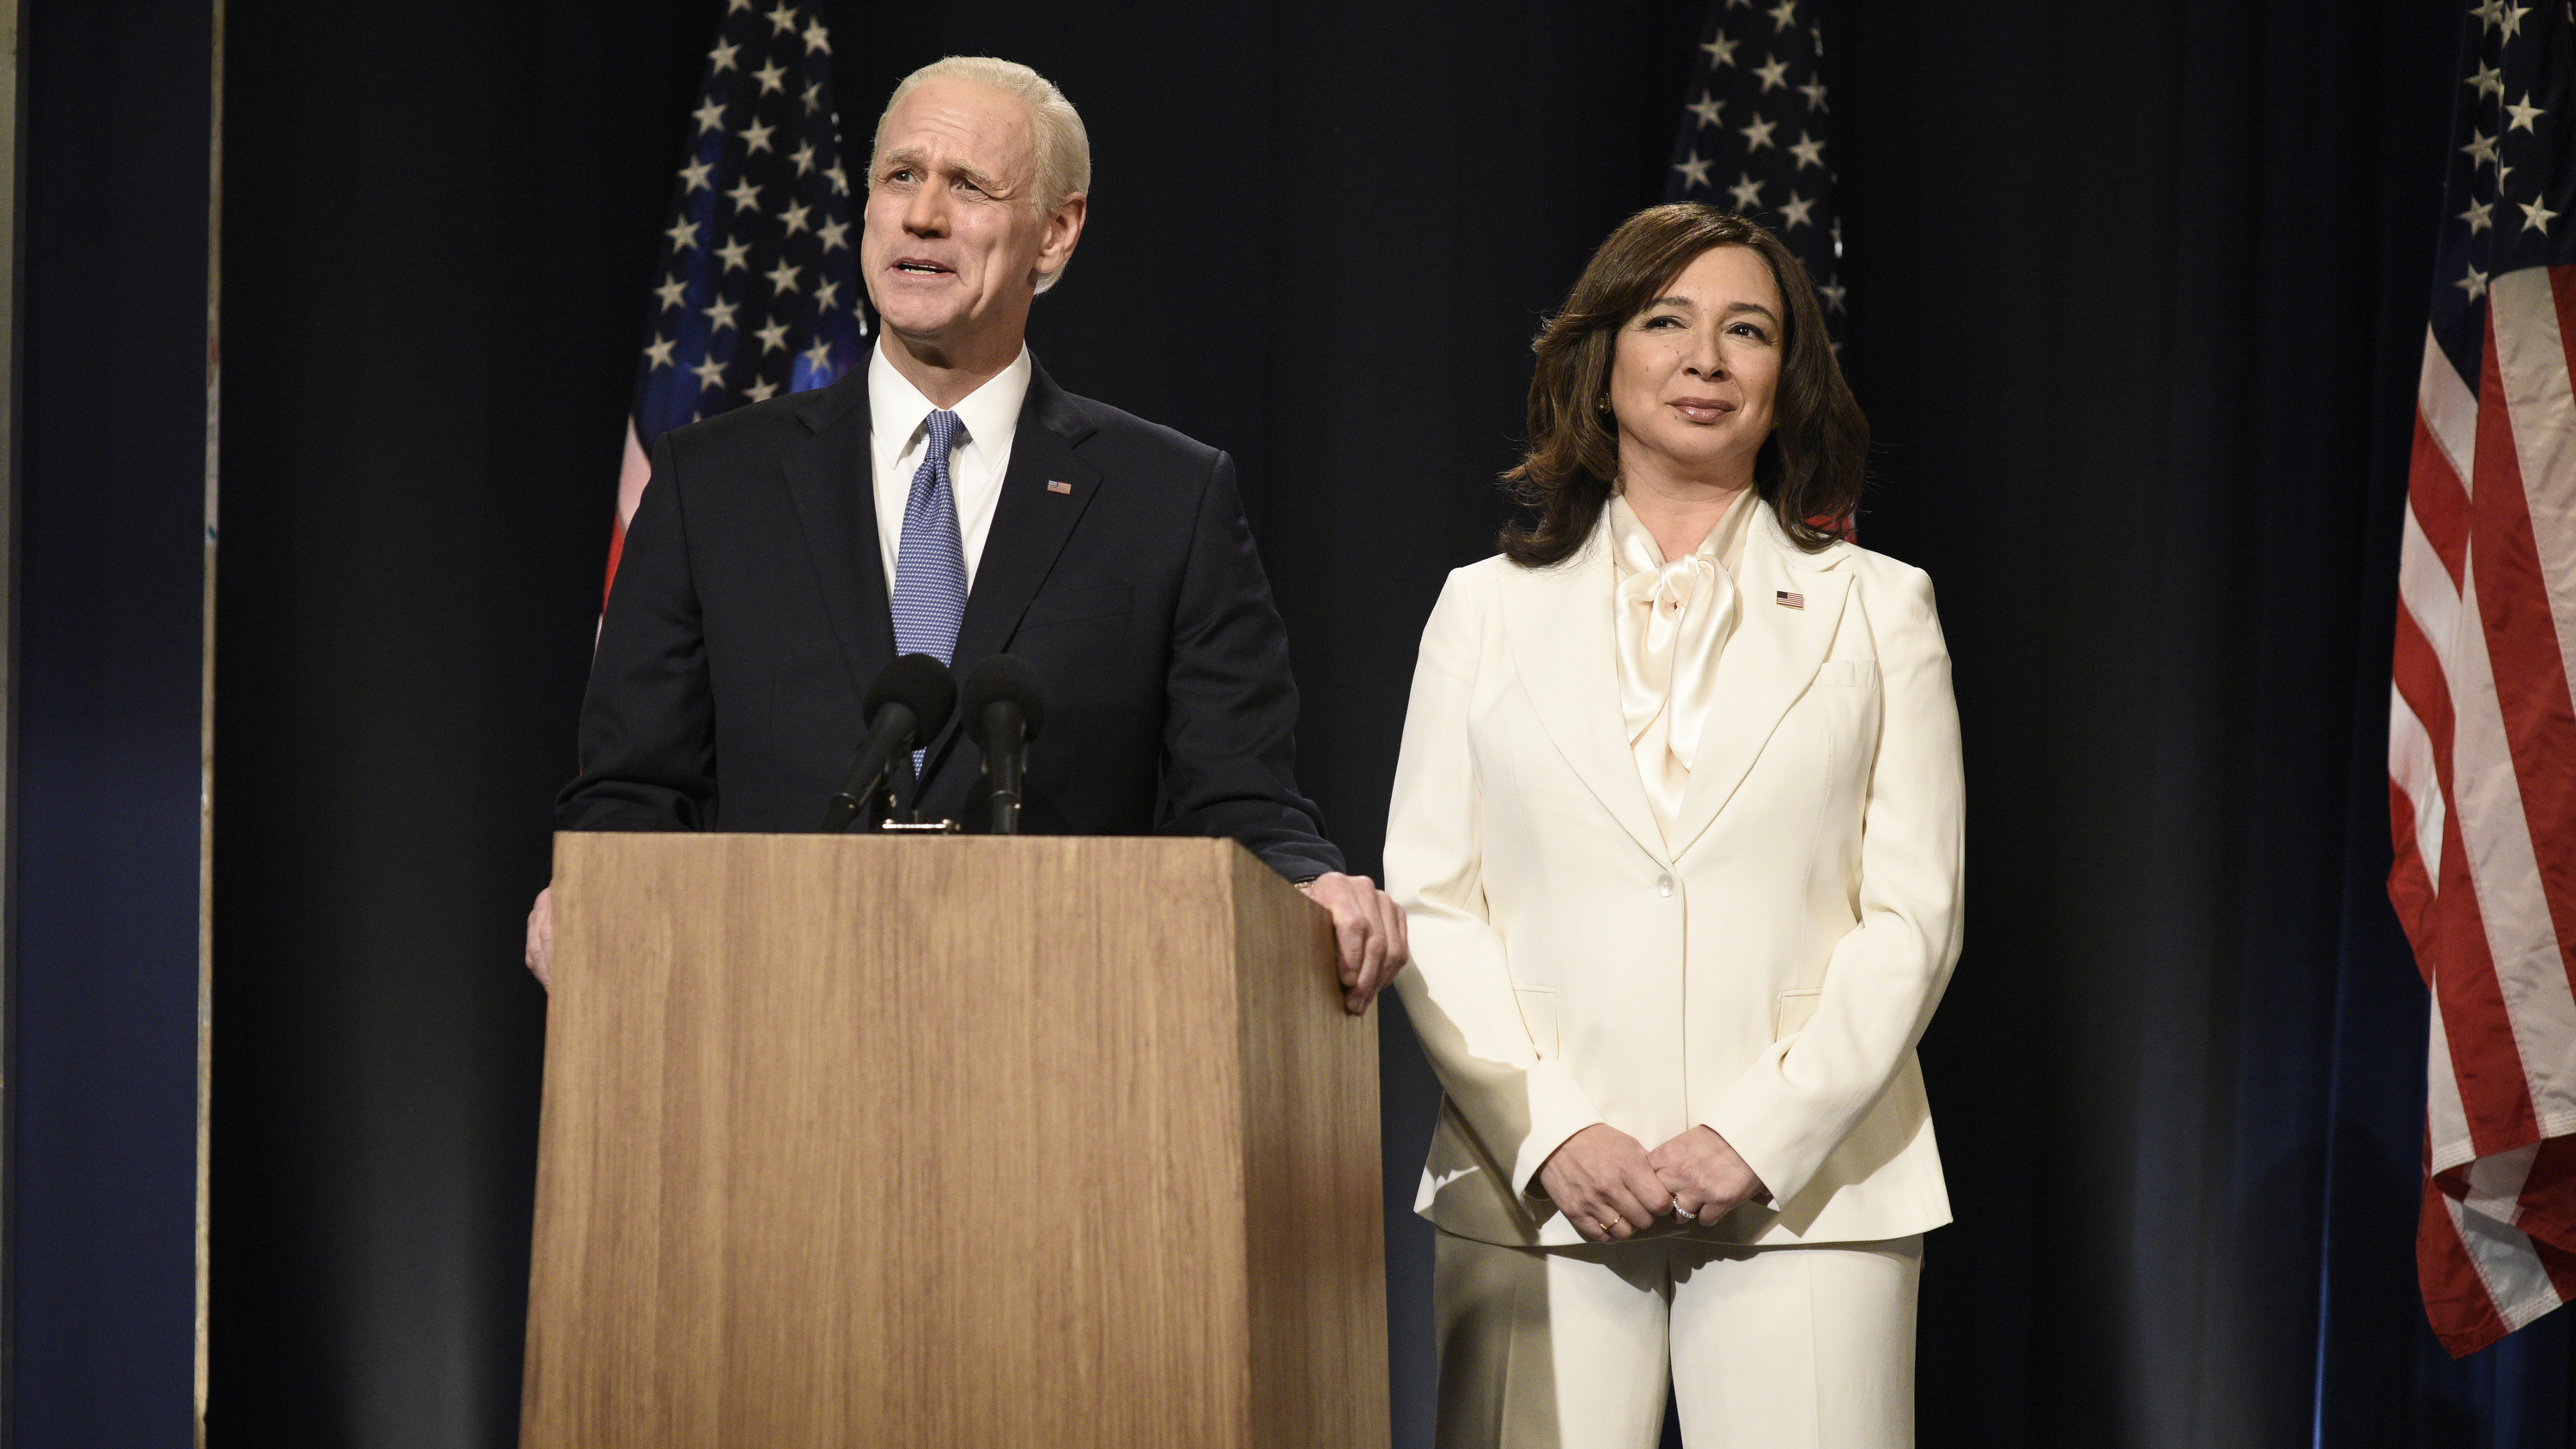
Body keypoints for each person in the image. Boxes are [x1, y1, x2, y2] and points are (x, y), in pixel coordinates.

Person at [526, 57, 1405, 1008]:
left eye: (969, 187)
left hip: (1058, 1038)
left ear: (1056, 234)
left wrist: (1312, 882)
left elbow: (1239, 801)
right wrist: (593, 892)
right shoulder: (712, 483)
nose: (924, 215)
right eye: (901, 176)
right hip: (765, 1026)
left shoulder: (1169, 499)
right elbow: (634, 791)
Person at [1384, 204, 1964, 1447]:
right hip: (1533, 1191)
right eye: (1666, 321)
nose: (1706, 358)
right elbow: (1432, 903)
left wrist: (1759, 1134)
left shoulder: (1882, 608)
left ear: (1784, 377)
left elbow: (1913, 914)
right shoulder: (1479, 610)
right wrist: (1554, 1131)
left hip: (1812, 1200)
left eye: (1745, 329)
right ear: (1600, 361)